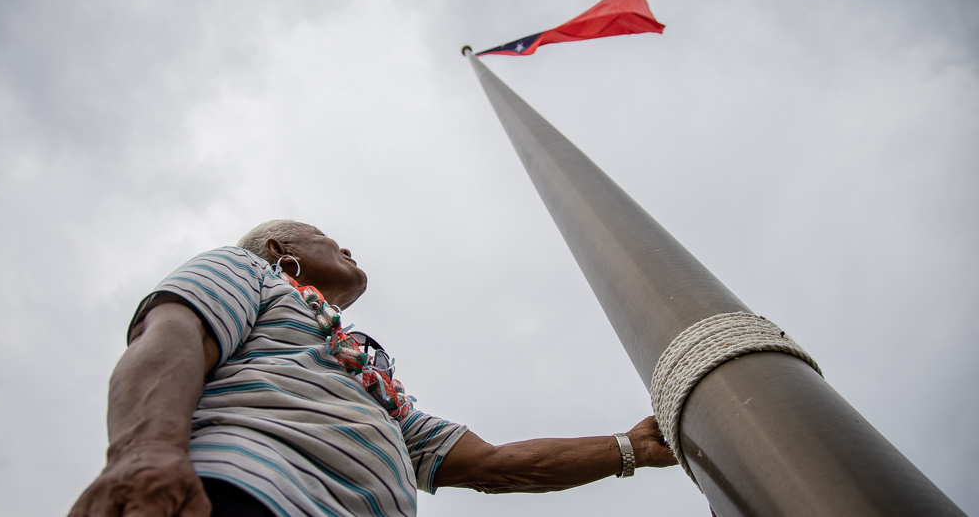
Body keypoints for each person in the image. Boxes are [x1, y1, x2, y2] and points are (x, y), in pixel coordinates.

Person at [70, 220, 677, 516]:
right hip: (239, 495)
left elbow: (493, 466)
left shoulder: (374, 384)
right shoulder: (246, 270)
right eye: (325, 237)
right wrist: (142, 455)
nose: (347, 247)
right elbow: (173, 334)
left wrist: (630, 448)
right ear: (285, 254)